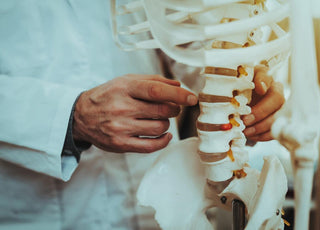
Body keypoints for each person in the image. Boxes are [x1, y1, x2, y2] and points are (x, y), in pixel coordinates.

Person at [0, 1, 284, 229]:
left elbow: (187, 43)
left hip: (154, 205)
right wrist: (70, 115)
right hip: (36, 210)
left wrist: (237, 86)